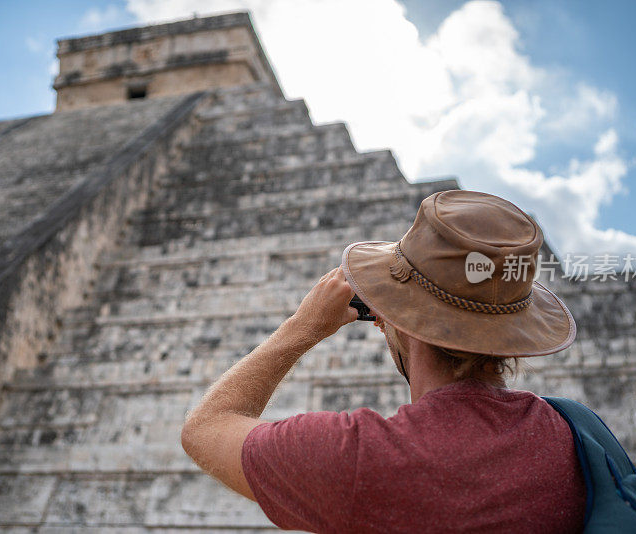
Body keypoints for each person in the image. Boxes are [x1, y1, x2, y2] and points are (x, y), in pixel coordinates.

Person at [180, 190, 586, 533]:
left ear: (396, 318)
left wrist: (301, 327)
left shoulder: (361, 459)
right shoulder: (570, 432)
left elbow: (204, 429)